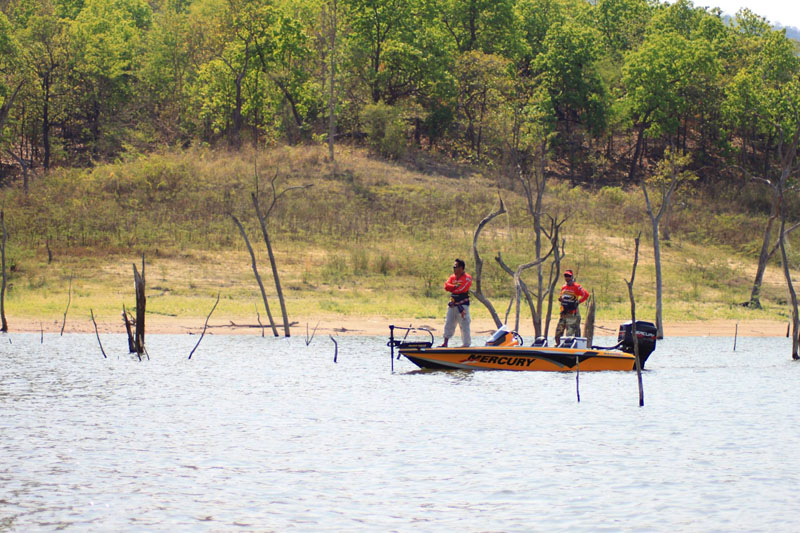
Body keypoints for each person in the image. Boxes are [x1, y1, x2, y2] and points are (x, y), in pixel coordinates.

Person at [440, 258, 472, 347]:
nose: (454, 269)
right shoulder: (452, 277)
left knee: (464, 324)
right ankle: (445, 342)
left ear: (461, 268)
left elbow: (462, 289)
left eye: (456, 267)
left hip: (463, 306)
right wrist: (455, 286)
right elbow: (446, 286)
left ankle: (466, 344)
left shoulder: (467, 278)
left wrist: (453, 287)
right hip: (453, 304)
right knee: (449, 322)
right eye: (453, 267)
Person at [555, 269, 590, 346]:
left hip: (572, 314)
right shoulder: (563, 287)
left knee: (569, 334)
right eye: (566, 276)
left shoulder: (577, 286)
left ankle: (568, 347)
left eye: (569, 276)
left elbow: (586, 294)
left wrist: (578, 302)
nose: (567, 278)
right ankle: (557, 346)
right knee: (558, 332)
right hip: (564, 313)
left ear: (572, 277)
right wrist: (561, 299)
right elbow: (562, 297)